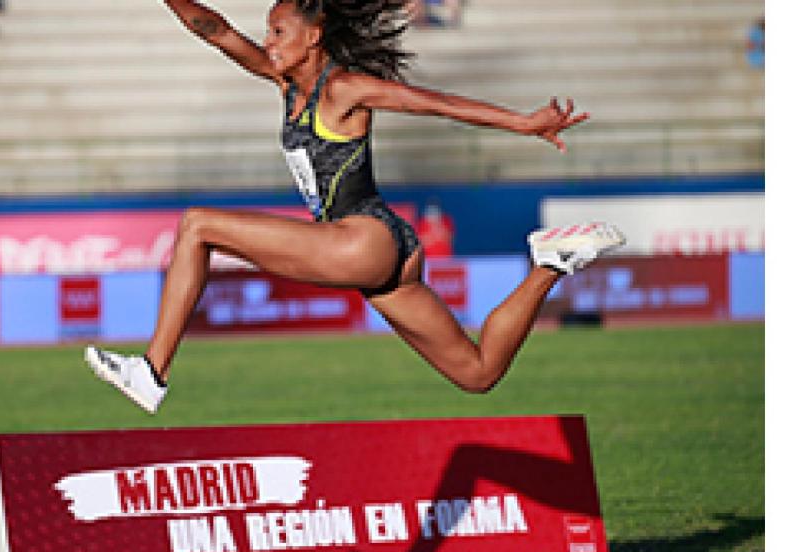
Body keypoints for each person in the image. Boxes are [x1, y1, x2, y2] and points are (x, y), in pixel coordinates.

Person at [84, 0, 624, 414]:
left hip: (362, 241)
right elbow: (216, 31)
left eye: (278, 32)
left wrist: (523, 123)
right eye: (268, 32)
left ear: (313, 36)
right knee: (478, 372)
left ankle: (152, 371)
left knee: (198, 225)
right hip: (386, 252)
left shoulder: (343, 89)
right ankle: (550, 264)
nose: (268, 42)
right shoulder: (284, 82)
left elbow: (433, 103)